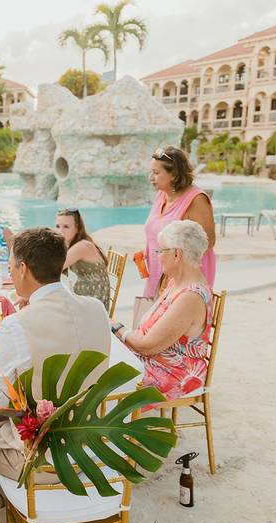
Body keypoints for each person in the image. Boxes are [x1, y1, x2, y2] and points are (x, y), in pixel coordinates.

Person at [0, 227, 110, 523]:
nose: (10, 271)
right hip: (91, 445)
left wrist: (0, 343)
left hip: (44, 456)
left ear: (22, 269)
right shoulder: (96, 309)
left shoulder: (17, 325)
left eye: (10, 265)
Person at [113, 220, 212, 400]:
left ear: (176, 254)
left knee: (99, 374)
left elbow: (146, 346)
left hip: (172, 374)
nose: (157, 256)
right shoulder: (175, 282)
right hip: (153, 361)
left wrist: (116, 327)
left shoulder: (190, 296)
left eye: (161, 250)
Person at [143, 146, 216, 298]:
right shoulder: (162, 195)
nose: (151, 177)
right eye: (151, 172)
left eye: (156, 173)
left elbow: (208, 241)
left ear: (174, 175)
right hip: (157, 274)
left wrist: (175, 262)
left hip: (182, 280)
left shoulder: (197, 200)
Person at [55, 207, 110, 308]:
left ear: (77, 228)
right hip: (84, 294)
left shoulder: (82, 246)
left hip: (93, 301)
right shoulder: (71, 243)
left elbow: (54, 269)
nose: (60, 231)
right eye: (57, 226)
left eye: (66, 227)